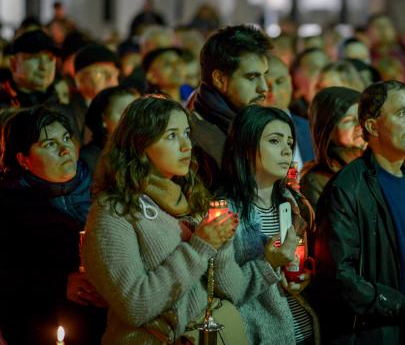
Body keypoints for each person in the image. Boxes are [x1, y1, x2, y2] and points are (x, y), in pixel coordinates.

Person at [82, 96, 239, 344]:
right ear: (140, 143)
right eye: (172, 136)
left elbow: (232, 291)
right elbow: (135, 305)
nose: (187, 145)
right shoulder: (113, 212)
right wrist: (200, 247)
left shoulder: (192, 199)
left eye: (186, 133)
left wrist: (222, 243)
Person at [313, 80, 405, 344]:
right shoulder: (347, 190)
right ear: (372, 126)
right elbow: (338, 277)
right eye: (403, 113)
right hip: (375, 335)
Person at [0, 106, 105, 345]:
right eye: (49, 144)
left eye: (66, 138)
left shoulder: (100, 191)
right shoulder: (3, 207)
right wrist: (60, 283)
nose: (64, 149)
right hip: (42, 328)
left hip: (104, 324)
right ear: (23, 159)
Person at [218, 105, 318, 345]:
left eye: (289, 142)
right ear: (246, 147)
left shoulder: (291, 202)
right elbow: (226, 290)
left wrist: (303, 276)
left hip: (304, 330)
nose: (286, 150)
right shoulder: (225, 212)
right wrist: (268, 263)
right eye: (274, 141)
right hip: (262, 335)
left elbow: (295, 264)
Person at [188, 24, 272, 189]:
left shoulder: (249, 125)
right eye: (252, 77)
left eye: (264, 75)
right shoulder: (194, 137)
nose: (264, 87)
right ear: (219, 79)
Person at [0, 29, 62, 190]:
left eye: (50, 59)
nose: (43, 66)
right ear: (13, 63)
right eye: (34, 58)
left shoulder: (64, 109)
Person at [300, 87, 365, 206]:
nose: (359, 126)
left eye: (362, 118)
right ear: (327, 130)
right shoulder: (316, 180)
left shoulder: (375, 166)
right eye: (348, 121)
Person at [264, 55, 315, 170]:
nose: (273, 91)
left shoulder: (309, 128)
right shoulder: (248, 133)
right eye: (266, 84)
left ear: (290, 81)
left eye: (280, 81)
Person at [80, 85, 140, 174]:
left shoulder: (142, 153)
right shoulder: (89, 160)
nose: (134, 118)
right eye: (125, 112)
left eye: (138, 111)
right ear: (103, 119)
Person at [289, 48, 330, 118]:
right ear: (296, 76)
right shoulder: (292, 116)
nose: (322, 73)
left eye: (327, 67)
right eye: (313, 69)